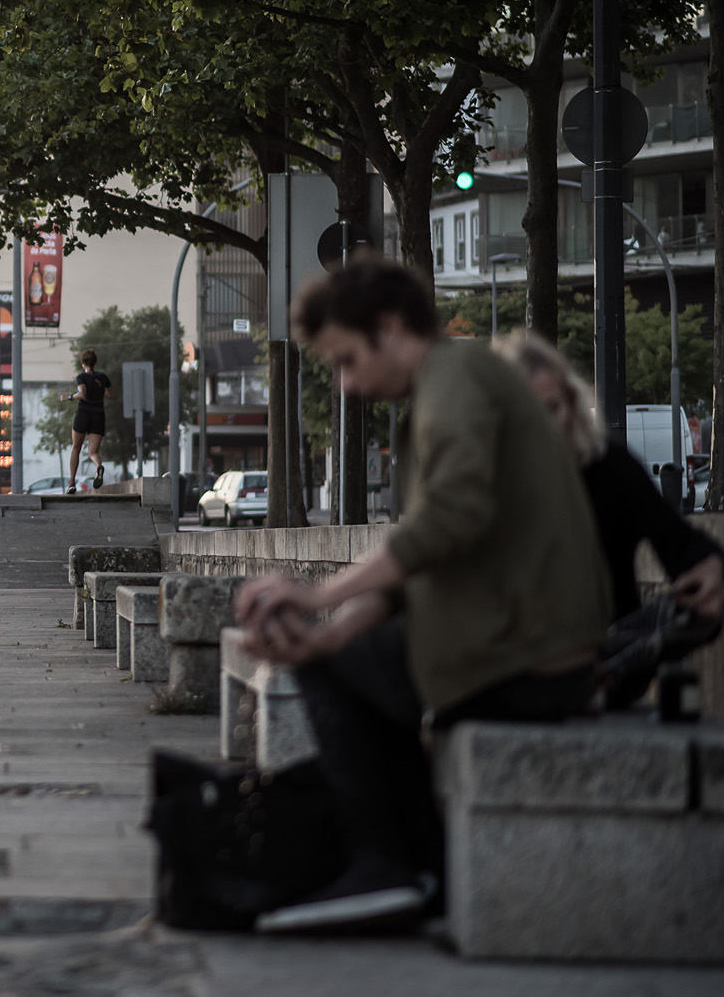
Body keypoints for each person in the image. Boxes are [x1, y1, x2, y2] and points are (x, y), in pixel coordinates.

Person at [234, 259, 610, 935]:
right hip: (518, 637)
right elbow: (423, 567)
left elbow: (451, 516)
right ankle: (423, 870)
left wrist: (320, 593)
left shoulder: (455, 379)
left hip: (526, 654)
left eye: (348, 359)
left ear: (390, 326)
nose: (346, 384)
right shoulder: (446, 388)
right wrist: (330, 628)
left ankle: (385, 863)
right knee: (345, 661)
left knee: (331, 671)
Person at [492, 331, 724, 702]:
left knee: (693, 612)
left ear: (570, 405)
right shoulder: (482, 480)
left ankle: (594, 680)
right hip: (514, 653)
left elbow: (683, 545)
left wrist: (707, 570)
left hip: (609, 645)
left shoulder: (610, 466)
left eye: (552, 409)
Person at [60, 349, 114, 490]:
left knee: (76, 448)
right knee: (93, 452)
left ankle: (72, 483)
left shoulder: (81, 377)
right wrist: (100, 391)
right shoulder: (103, 377)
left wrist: (69, 397)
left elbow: (82, 394)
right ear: (94, 362)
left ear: (83, 363)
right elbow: (113, 395)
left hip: (84, 414)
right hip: (99, 415)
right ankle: (98, 467)